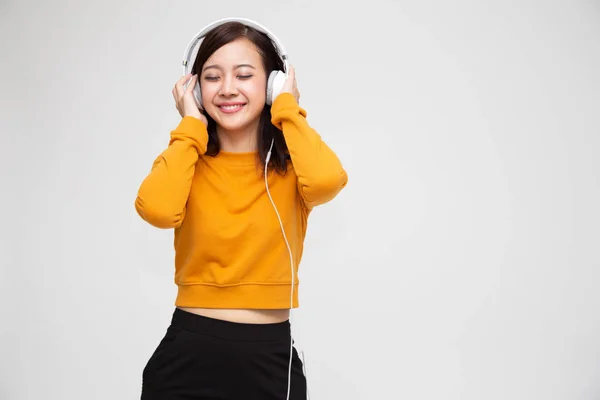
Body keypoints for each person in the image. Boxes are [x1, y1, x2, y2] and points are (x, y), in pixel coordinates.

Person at [134, 18, 347, 400]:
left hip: (269, 359)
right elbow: (157, 210)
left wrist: (287, 106)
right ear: (195, 89)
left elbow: (329, 180)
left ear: (272, 83)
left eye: (244, 75)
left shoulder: (291, 167)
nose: (227, 88)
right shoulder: (186, 159)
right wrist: (191, 127)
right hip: (187, 356)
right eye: (212, 77)